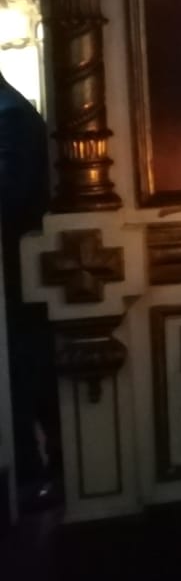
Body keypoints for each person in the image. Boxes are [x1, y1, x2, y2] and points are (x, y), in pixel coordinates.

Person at [1, 68, 53, 507]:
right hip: (14, 269)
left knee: (24, 372)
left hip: (16, 269)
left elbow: (10, 198)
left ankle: (30, 474)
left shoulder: (11, 116)